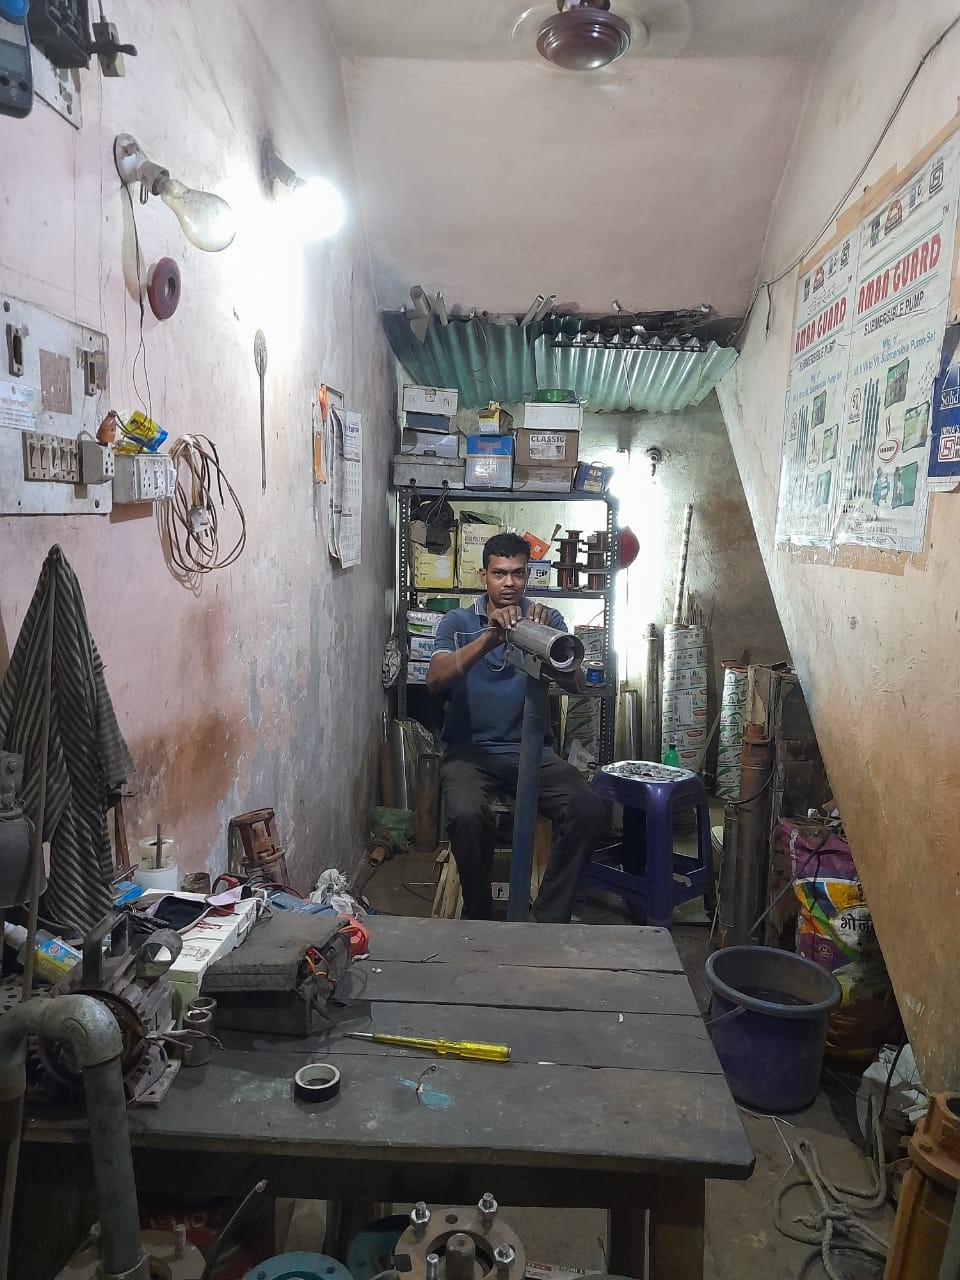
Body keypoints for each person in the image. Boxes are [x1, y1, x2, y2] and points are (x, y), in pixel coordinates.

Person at [426, 532, 605, 922]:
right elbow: (435, 678)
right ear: (483, 576)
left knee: (588, 809)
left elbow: (576, 683)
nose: (509, 583)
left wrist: (544, 640)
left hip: (531, 751)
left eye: (518, 573)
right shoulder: (458, 622)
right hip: (470, 754)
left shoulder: (546, 619)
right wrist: (490, 638)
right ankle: (480, 913)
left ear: (528, 575)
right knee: (466, 816)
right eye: (499, 573)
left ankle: (547, 918)